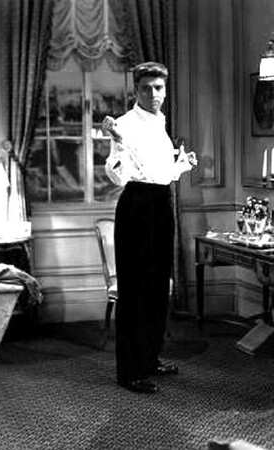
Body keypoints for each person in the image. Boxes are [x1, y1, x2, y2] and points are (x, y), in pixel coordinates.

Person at [102, 61, 197, 394]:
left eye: (159, 88)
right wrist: (116, 142)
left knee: (157, 287)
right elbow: (118, 176)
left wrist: (181, 166)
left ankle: (150, 358)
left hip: (161, 203)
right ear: (136, 90)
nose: (153, 94)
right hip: (137, 205)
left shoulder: (160, 123)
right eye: (146, 88)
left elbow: (160, 173)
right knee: (134, 290)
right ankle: (129, 372)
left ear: (165, 90)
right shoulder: (124, 125)